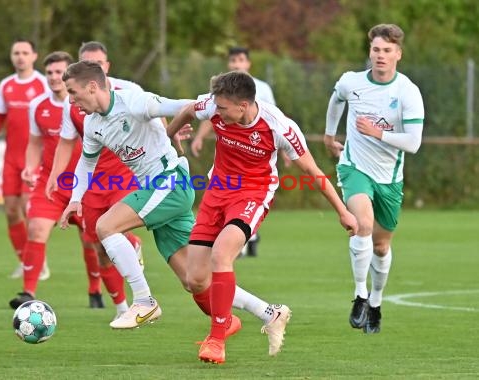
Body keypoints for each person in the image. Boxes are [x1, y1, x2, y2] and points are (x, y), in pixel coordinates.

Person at [60, 62, 291, 347]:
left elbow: (181, 105)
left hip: (170, 182)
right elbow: (86, 163)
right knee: (196, 281)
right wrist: (74, 199)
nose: (70, 100)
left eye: (72, 92)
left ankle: (144, 301)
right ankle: (269, 312)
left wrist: (196, 116)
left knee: (105, 226)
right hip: (158, 191)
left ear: (92, 86)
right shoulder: (93, 124)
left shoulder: (134, 101)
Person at [166, 71, 358, 364]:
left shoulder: (278, 126)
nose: (215, 111)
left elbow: (313, 171)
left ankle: (217, 340)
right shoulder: (213, 106)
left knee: (221, 255)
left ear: (242, 106)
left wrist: (343, 211)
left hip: (252, 195)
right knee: (194, 279)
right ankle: (268, 314)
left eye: (222, 108)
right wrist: (171, 136)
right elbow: (190, 110)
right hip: (217, 192)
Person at [324, 24, 424, 334]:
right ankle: (359, 295)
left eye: (387, 50)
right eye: (376, 50)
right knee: (362, 224)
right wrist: (329, 134)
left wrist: (378, 132)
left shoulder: (406, 91)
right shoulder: (351, 82)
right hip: (354, 167)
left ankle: (377, 302)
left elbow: (414, 143)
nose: (380, 55)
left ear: (398, 54)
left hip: (390, 178)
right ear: (370, 52)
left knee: (381, 247)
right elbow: (336, 99)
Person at [46, 41, 145, 319]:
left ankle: (133, 246)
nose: (93, 68)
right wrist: (55, 176)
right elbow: (67, 144)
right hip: (92, 182)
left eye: (98, 64)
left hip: (124, 174)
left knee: (111, 229)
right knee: (98, 247)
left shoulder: (129, 91)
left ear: (106, 67)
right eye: (87, 63)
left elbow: (154, 117)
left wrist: (174, 135)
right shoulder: (73, 104)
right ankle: (121, 308)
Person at [8, 51, 104, 309]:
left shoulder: (86, 106)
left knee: (91, 241)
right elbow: (35, 143)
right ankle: (28, 293)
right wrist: (30, 168)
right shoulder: (37, 105)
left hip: (85, 186)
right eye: (49, 72)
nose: (53, 78)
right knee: (36, 229)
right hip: (50, 185)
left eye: (58, 72)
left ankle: (95, 291)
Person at [190, 46, 282, 258]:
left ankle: (245, 238)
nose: (236, 64)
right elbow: (212, 113)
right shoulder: (224, 91)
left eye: (240, 60)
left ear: (248, 63)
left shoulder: (262, 89)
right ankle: (242, 240)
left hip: (256, 159)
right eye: (233, 60)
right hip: (231, 161)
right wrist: (199, 137)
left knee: (246, 204)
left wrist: (286, 151)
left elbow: (276, 121)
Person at [0, 39, 50, 279]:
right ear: (12, 57)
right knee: (11, 211)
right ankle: (26, 261)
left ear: (34, 56)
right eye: (16, 53)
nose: (20, 57)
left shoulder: (43, 83)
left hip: (34, 157)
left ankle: (38, 263)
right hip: (11, 158)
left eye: (24, 53)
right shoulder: (6, 85)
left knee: (26, 207)